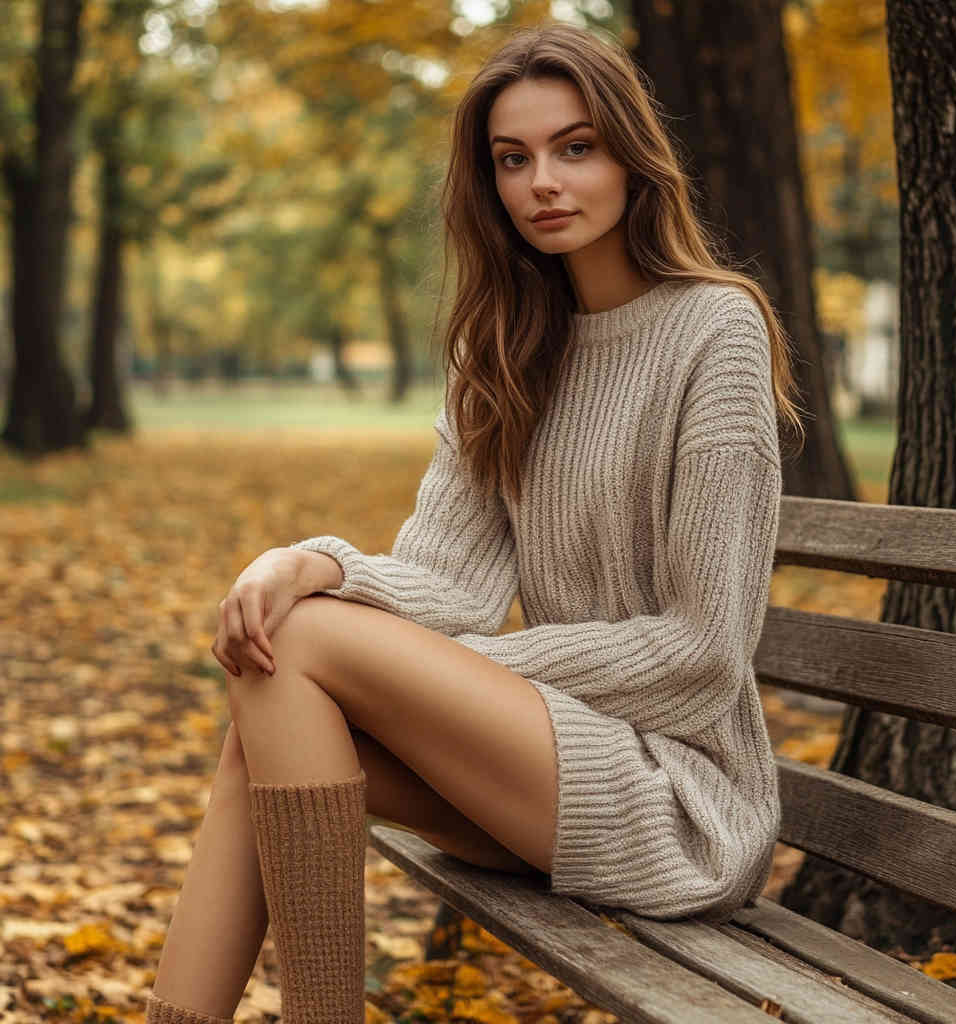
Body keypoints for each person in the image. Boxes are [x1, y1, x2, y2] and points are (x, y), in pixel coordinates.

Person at [145, 20, 806, 1024]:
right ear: (487, 182)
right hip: (540, 778)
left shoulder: (712, 330)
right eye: (513, 158)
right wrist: (306, 562)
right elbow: (445, 587)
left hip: (678, 802)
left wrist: (463, 673)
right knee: (270, 677)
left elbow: (703, 652)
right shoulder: (502, 349)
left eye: (573, 147)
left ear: (631, 156)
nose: (542, 180)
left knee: (304, 641)